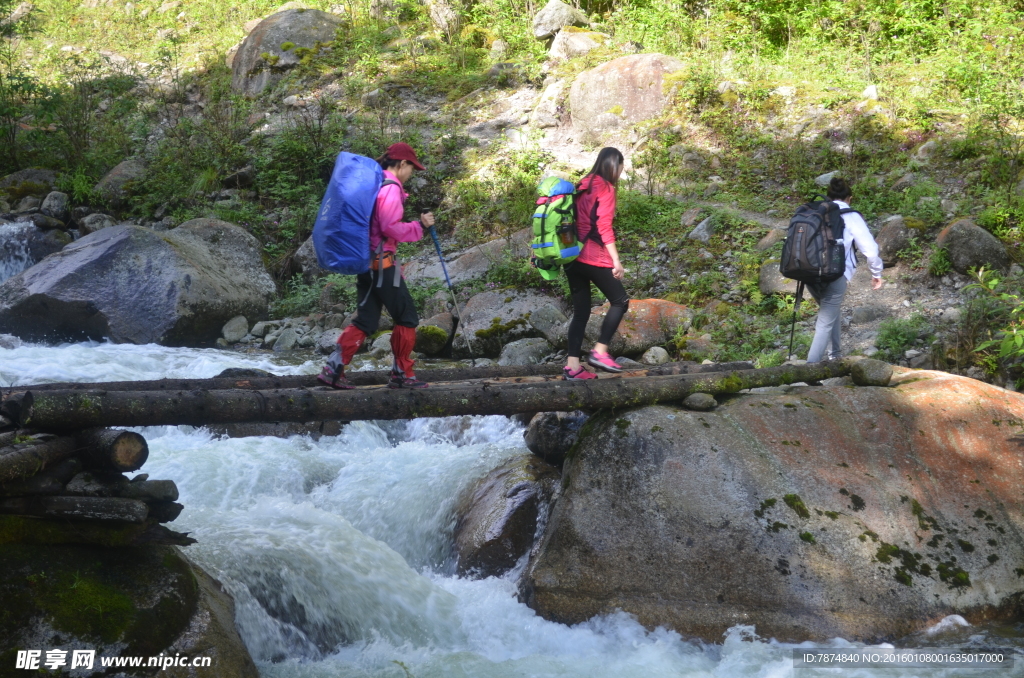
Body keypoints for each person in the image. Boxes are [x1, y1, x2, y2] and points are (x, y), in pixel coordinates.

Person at [318, 142, 435, 389]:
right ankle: (402, 374)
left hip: (366, 264)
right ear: (402, 164)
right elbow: (389, 227)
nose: (411, 173)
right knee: (407, 318)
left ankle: (332, 371)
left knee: (366, 321)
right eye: (412, 167)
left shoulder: (374, 185)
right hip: (382, 267)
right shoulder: (391, 189)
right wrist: (420, 226)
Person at [563, 147, 630, 380]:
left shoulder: (582, 183)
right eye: (621, 166)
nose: (621, 171)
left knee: (580, 313)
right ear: (614, 165)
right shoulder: (606, 187)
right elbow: (604, 228)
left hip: (571, 255)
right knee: (620, 301)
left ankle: (573, 367)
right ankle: (600, 351)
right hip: (593, 256)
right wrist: (616, 261)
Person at [805, 177, 884, 363]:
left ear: (829, 196)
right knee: (825, 322)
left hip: (808, 273)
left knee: (830, 312)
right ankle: (810, 368)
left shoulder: (816, 212)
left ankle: (836, 355)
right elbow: (870, 249)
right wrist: (876, 273)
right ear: (850, 198)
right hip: (834, 274)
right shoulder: (850, 215)